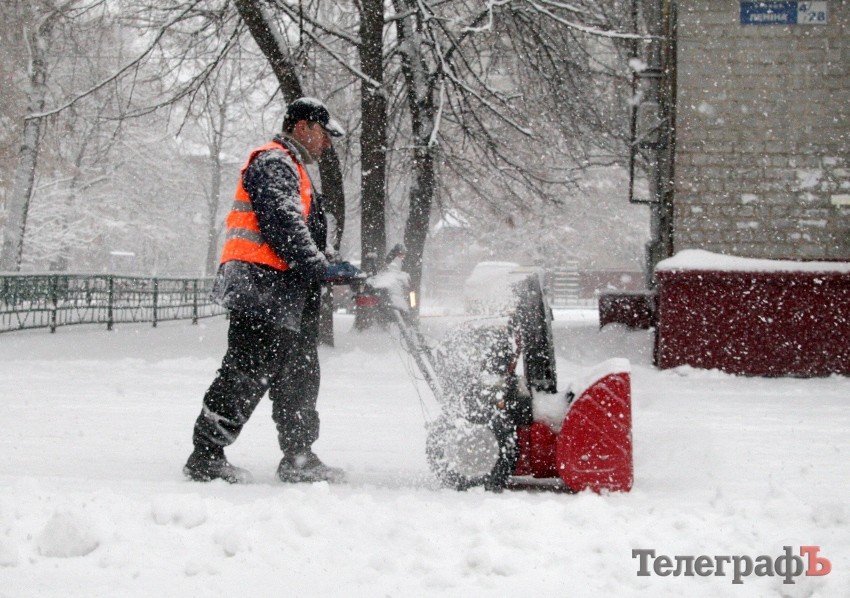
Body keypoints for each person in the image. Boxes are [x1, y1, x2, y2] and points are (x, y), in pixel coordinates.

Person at [183, 97, 346, 484]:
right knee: (246, 371)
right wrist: (321, 266)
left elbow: (301, 231)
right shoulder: (274, 162)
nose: (327, 144)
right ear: (305, 126)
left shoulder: (295, 170)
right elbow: (283, 227)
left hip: (285, 291)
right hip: (259, 288)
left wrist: (330, 263)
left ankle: (299, 457)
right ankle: (206, 455)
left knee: (299, 373)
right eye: (325, 135)